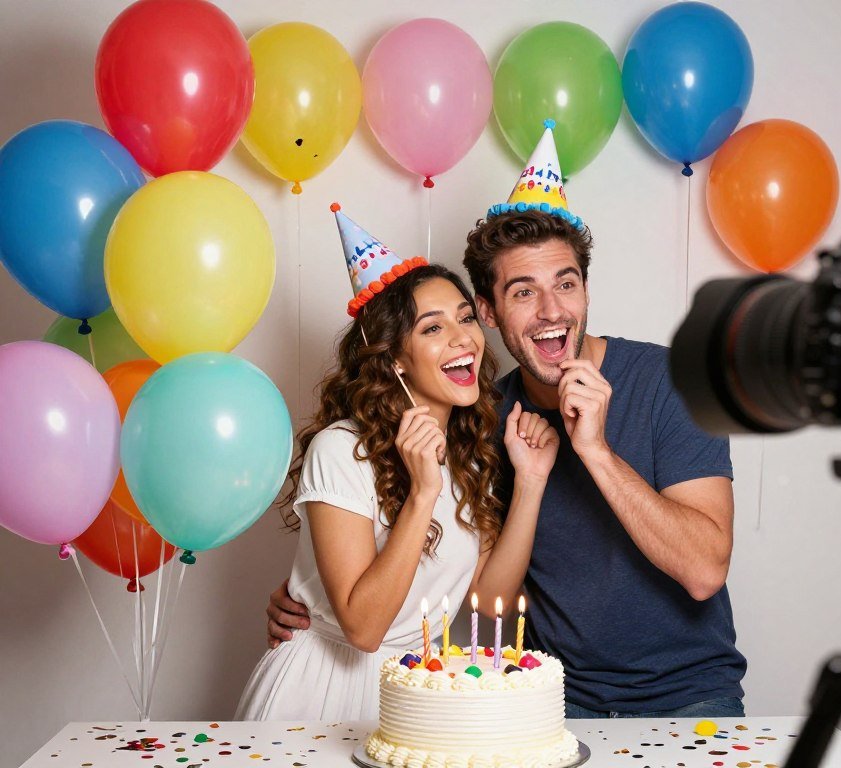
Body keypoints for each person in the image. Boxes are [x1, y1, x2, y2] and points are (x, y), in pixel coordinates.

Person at [267, 126, 746, 718]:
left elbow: (703, 571)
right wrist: (313, 603)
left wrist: (594, 450)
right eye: (524, 292)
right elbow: (472, 600)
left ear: (585, 289)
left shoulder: (672, 381)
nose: (551, 311)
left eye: (565, 284)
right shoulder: (483, 420)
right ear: (491, 313)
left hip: (690, 698)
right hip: (552, 701)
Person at [236, 207, 558, 721]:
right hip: (323, 695)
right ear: (395, 359)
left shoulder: (469, 454)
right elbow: (363, 629)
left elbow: (488, 600)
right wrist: (422, 493)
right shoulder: (343, 449)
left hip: (414, 697)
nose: (463, 338)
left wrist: (532, 483)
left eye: (465, 317)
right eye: (433, 328)